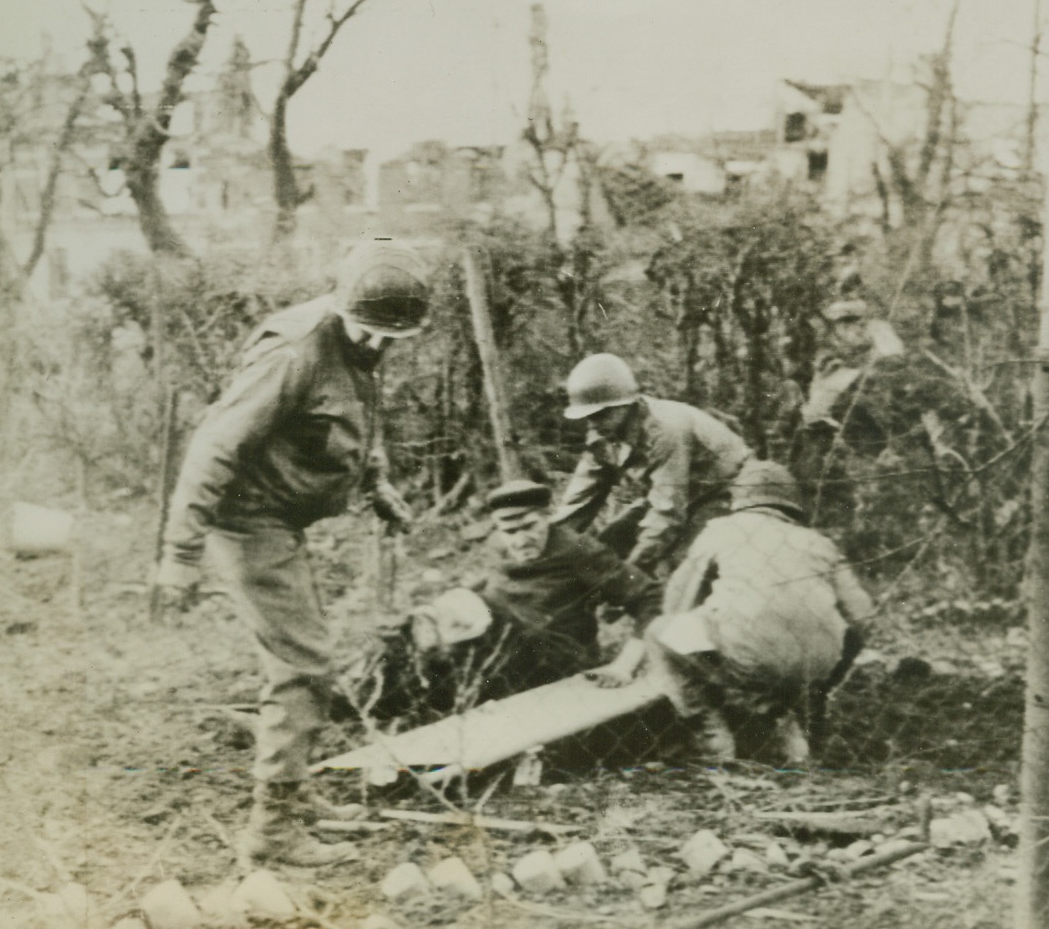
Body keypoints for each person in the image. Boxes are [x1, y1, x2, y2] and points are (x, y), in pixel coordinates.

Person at [151, 239, 430, 867]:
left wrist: (377, 484)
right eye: (371, 335)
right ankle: (273, 827)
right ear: (343, 309)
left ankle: (294, 794)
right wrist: (179, 555)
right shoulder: (295, 353)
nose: (381, 349)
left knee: (306, 655)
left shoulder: (362, 343)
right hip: (247, 519)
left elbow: (351, 417)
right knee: (302, 664)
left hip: (279, 516)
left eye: (394, 338)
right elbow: (213, 448)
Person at [347, 479, 661, 724]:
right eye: (509, 530)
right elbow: (490, 584)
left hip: (549, 652)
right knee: (408, 631)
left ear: (547, 517)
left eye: (529, 526)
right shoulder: (498, 544)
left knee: (466, 628)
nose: (520, 540)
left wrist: (625, 665)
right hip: (495, 644)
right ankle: (360, 701)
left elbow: (649, 596)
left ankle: (388, 697)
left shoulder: (580, 551)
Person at [645, 460, 873, 765]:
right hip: (815, 665)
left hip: (750, 656)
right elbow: (862, 616)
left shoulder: (721, 530)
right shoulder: (820, 543)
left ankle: (713, 744)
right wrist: (830, 674)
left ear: (738, 500)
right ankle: (782, 724)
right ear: (791, 505)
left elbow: (677, 600)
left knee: (660, 632)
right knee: (763, 655)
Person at [553, 353, 753, 574]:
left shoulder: (665, 430)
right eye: (588, 417)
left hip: (725, 493)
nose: (594, 423)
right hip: (676, 496)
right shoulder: (602, 434)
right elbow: (578, 503)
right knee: (608, 544)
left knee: (680, 566)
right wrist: (546, 546)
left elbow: (667, 514)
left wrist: (629, 573)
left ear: (627, 405)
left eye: (602, 414)